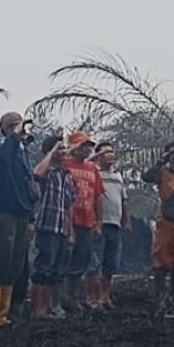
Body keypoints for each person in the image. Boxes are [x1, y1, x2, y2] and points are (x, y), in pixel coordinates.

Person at [0, 112, 36, 328]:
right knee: (1, 261)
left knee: (15, 262)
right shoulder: (1, 151)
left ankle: (4, 312)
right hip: (5, 212)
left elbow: (28, 188)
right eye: (17, 125)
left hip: (22, 214)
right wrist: (14, 134)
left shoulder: (23, 155)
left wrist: (31, 219)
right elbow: (5, 156)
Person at [142, 142, 174, 313]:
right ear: (168, 155)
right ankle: (160, 297)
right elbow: (146, 177)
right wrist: (160, 162)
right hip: (166, 221)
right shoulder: (162, 172)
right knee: (162, 260)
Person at [30, 135, 76, 320]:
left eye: (65, 149)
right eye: (60, 149)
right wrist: (51, 152)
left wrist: (71, 231)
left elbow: (69, 205)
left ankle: (48, 307)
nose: (64, 152)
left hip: (62, 228)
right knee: (43, 268)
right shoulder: (48, 171)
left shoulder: (67, 176)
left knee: (56, 270)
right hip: (47, 225)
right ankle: (37, 309)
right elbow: (37, 173)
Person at [62, 131, 104, 310]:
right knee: (65, 259)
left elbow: (98, 197)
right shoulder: (65, 165)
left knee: (82, 259)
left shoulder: (92, 169)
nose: (86, 149)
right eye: (82, 145)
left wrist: (99, 221)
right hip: (67, 220)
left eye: (88, 146)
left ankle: (73, 296)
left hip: (87, 221)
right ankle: (60, 298)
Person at [89, 142, 130, 309]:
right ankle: (92, 297)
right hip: (98, 223)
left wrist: (126, 220)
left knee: (111, 262)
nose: (110, 155)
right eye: (106, 152)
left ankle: (105, 296)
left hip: (114, 223)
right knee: (95, 262)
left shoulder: (118, 176)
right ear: (98, 155)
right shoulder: (92, 172)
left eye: (112, 151)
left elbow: (124, 200)